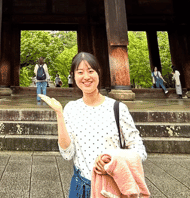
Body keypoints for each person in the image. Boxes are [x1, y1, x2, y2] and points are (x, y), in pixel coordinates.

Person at [39, 52, 147, 198]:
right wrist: (59, 113)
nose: (86, 77)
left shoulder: (118, 108)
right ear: (73, 75)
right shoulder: (71, 108)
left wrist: (113, 162)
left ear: (98, 73)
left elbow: (139, 151)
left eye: (90, 71)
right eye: (80, 72)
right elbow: (67, 154)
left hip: (111, 186)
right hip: (80, 187)